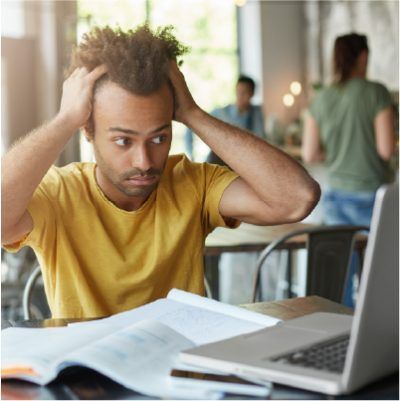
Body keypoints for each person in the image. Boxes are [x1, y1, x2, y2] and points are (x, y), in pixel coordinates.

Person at [2, 25, 320, 319]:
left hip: (178, 371)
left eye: (158, 137)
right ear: (87, 129)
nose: (144, 161)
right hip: (85, 378)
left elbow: (296, 199)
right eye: (123, 140)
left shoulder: (194, 183)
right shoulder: (60, 192)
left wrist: (193, 113)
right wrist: (64, 120)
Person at [301, 32, 396, 307]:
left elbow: (310, 153)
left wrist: (338, 151)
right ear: (364, 56)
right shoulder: (375, 92)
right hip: (372, 198)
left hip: (335, 198)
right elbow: (386, 149)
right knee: (378, 278)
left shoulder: (322, 98)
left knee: (340, 279)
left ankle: (342, 340)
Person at [184, 75, 265, 163]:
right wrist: (191, 155)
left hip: (244, 163)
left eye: (244, 93)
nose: (240, 96)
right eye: (238, 92)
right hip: (219, 162)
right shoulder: (222, 113)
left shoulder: (256, 112)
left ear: (252, 94)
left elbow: (260, 139)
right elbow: (192, 122)